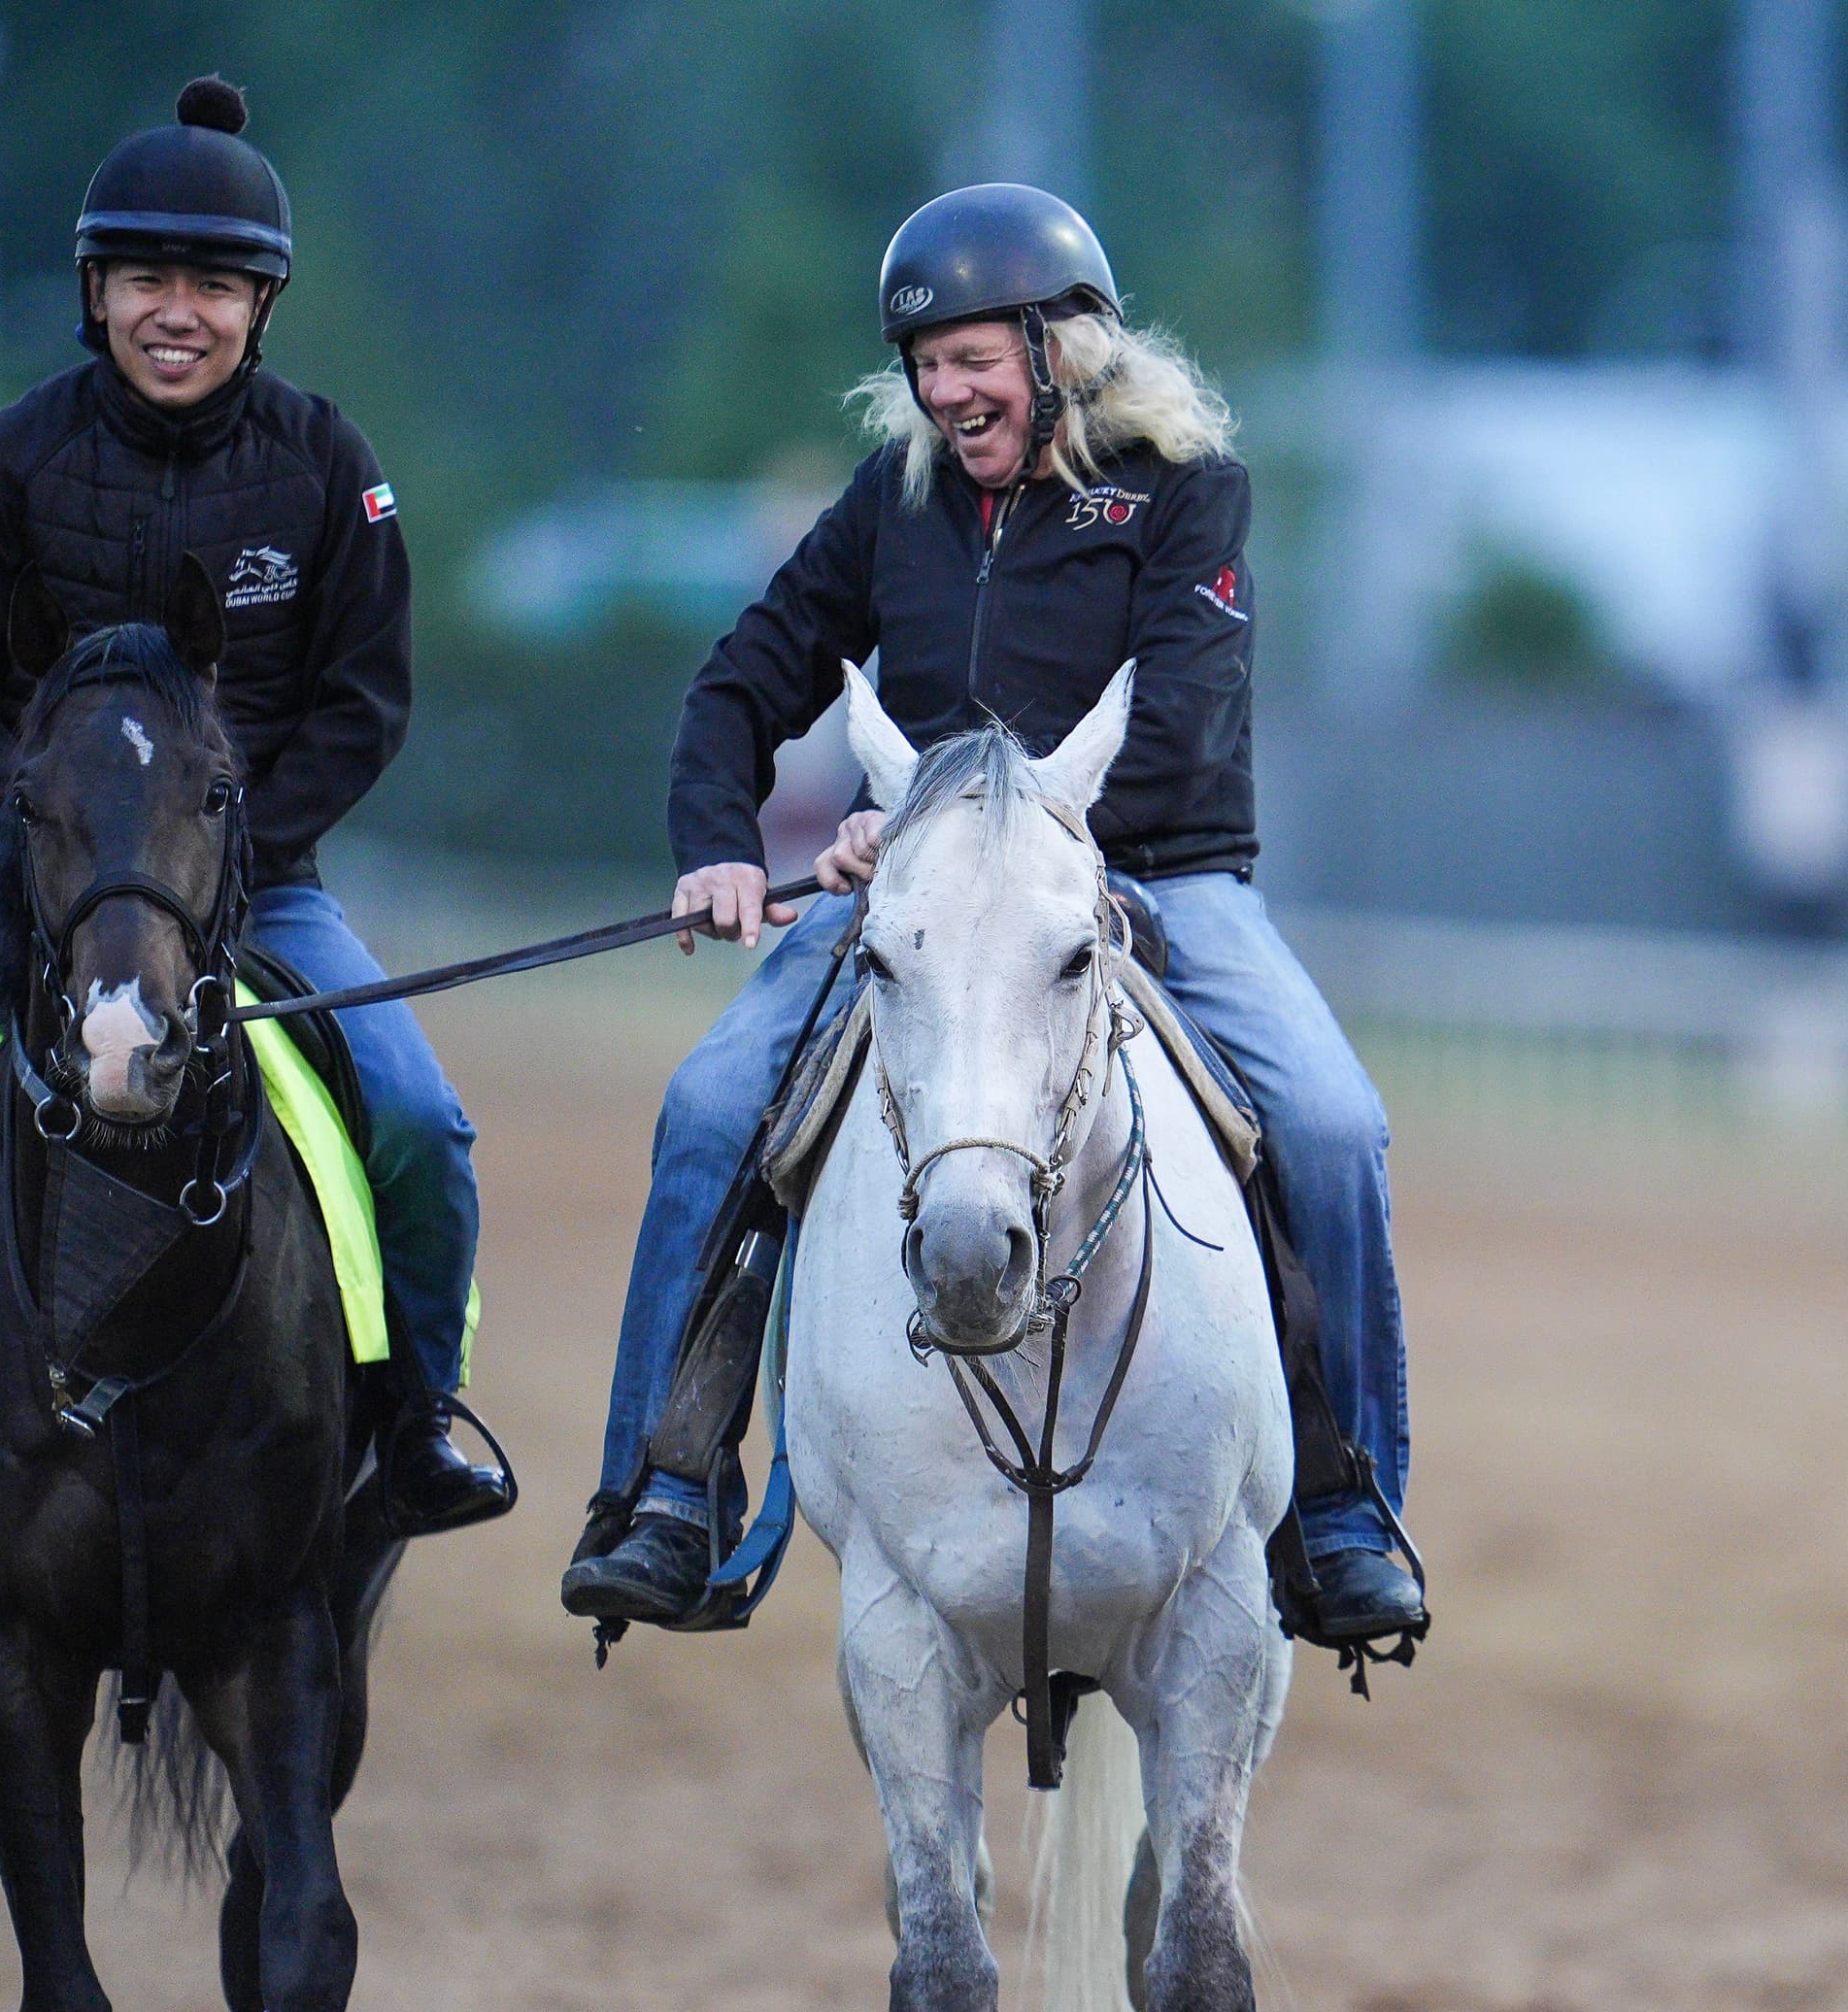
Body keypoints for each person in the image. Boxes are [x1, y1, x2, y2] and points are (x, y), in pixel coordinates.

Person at [558, 183, 1424, 1651]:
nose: (948, 392)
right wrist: (716, 846)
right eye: (926, 364)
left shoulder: (1184, 486)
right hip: (916, 899)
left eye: (974, 358)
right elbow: (742, 682)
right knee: (709, 1107)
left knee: (1334, 1129)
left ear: (1060, 348)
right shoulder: (889, 502)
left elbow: (1181, 729)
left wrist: (947, 827)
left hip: (1159, 878)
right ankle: (667, 1490)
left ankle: (1347, 1513)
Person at [0, 76, 506, 1537]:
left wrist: (231, 848)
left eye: (214, 285)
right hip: (31, 880)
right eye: (147, 279)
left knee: (419, 1119)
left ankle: (421, 1418)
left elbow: (364, 699)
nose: (177, 313)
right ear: (97, 291)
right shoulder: (3, 463)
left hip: (261, 888)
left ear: (260, 305)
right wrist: (29, 835)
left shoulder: (330, 469)